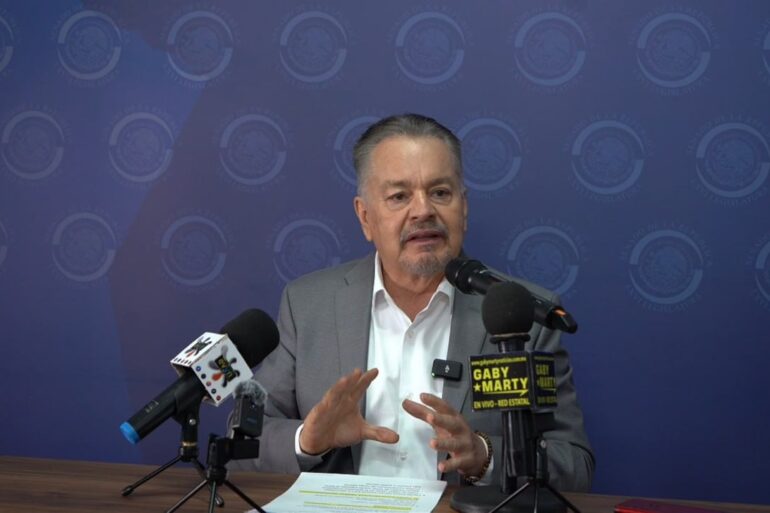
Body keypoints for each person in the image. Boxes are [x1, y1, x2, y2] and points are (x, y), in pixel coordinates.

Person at [232, 113, 594, 490]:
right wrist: (308, 440)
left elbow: (575, 466)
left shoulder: (522, 313)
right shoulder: (308, 304)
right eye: (399, 196)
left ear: (464, 208)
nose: (423, 210)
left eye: (440, 192)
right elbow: (244, 442)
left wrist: (485, 456)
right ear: (365, 217)